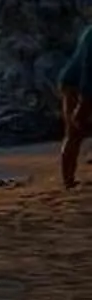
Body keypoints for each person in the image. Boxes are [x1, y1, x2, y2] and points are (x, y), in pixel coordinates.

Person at [60, 20, 92, 192]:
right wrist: (82, 106)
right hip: (74, 84)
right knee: (74, 132)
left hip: (85, 82)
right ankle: (68, 181)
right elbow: (88, 72)